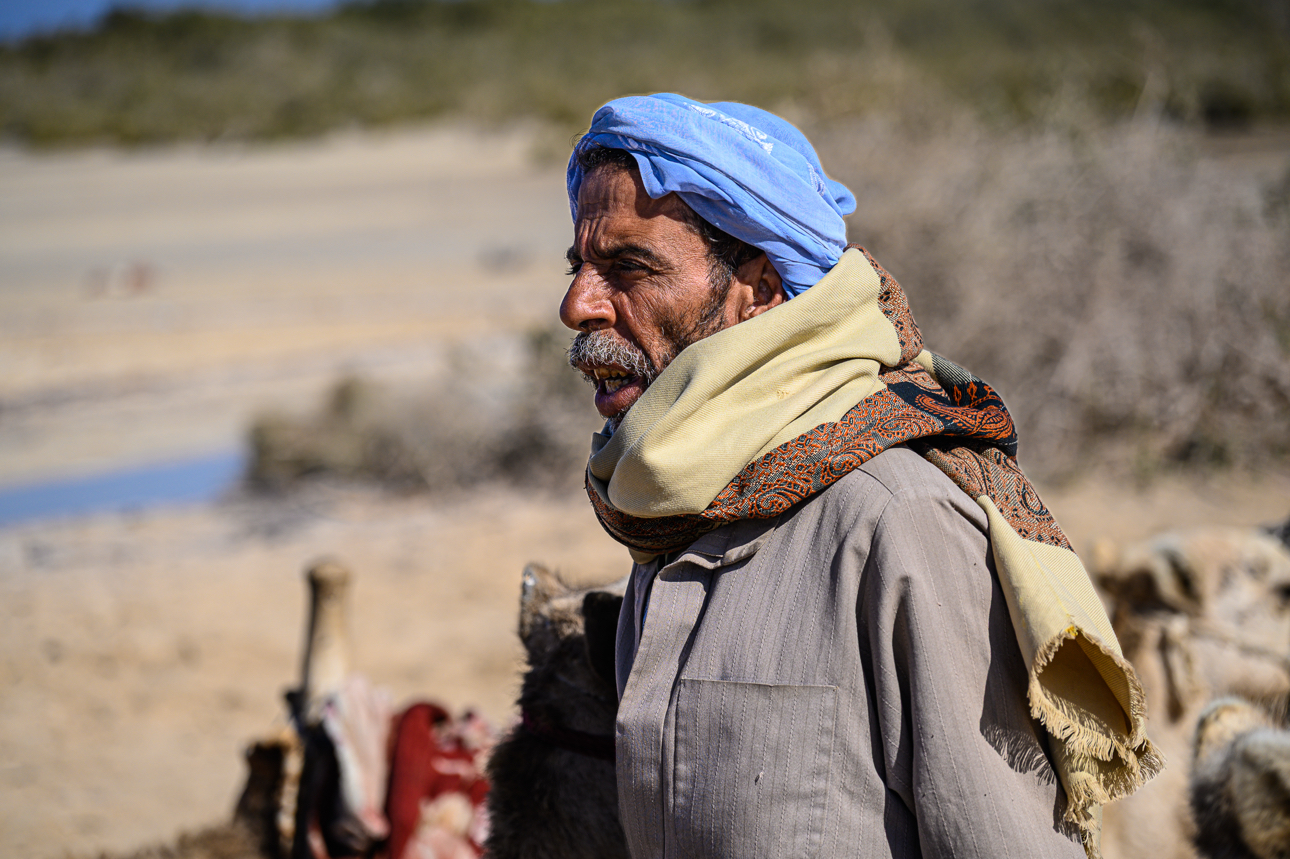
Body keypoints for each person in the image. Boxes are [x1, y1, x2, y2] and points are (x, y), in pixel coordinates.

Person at [559, 93, 1159, 859]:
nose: (578, 304)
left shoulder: (897, 525)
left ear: (761, 286)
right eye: (579, 265)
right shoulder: (670, 521)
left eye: (628, 267)